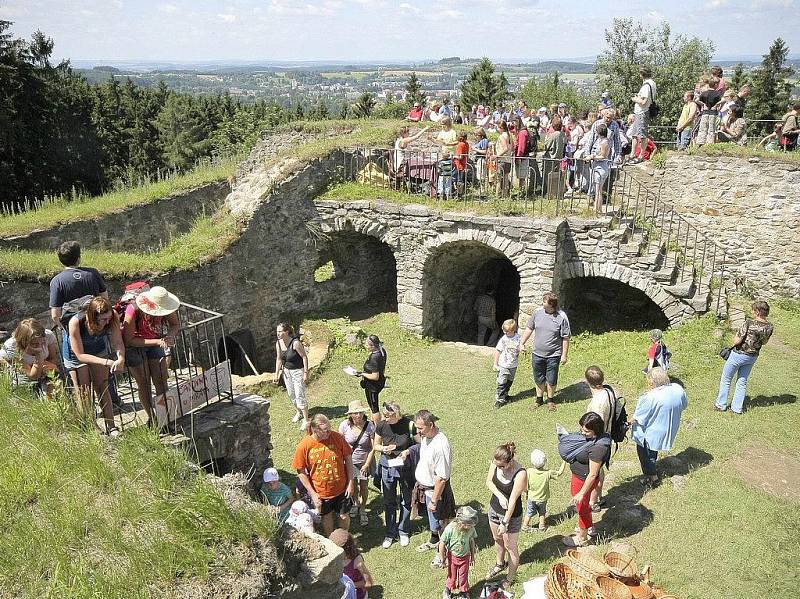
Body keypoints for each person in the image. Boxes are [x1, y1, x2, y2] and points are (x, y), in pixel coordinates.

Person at [62, 296, 125, 437]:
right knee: (83, 389)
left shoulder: (112, 316)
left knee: (102, 385)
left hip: (97, 347)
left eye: (108, 318)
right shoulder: (76, 322)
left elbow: (118, 341)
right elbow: (80, 355)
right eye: (103, 319)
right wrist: (107, 362)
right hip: (76, 353)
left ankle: (111, 426)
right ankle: (91, 424)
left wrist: (120, 357)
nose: (107, 322)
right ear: (92, 316)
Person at [122, 286, 181, 427]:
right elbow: (129, 340)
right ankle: (152, 418)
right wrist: (158, 341)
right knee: (144, 383)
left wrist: (170, 336)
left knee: (161, 379)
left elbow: (175, 324)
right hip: (134, 347)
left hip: (155, 342)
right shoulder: (133, 310)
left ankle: (165, 417)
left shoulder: (166, 307)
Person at [291, 414, 356, 536]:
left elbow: (348, 458)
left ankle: (344, 538)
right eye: (326, 430)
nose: (329, 432)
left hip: (342, 489)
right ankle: (332, 540)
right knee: (326, 516)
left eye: (330, 428)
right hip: (322, 492)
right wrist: (313, 494)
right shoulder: (304, 446)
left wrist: (350, 482)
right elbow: (300, 472)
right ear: (315, 430)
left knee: (344, 515)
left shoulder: (337, 438)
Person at [631, 368, 688, 486]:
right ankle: (652, 472)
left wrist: (626, 423)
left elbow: (638, 418)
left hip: (650, 432)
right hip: (668, 426)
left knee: (646, 455)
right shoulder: (678, 389)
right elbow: (683, 405)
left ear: (652, 382)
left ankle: (652, 477)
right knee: (653, 451)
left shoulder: (649, 397)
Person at [714, 300, 773, 415]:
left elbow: (737, 341)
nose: (751, 312)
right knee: (742, 381)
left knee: (726, 379)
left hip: (738, 355)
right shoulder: (770, 327)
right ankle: (737, 408)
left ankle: (721, 405)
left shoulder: (749, 323)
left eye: (753, 310)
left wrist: (735, 336)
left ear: (757, 312)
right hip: (752, 357)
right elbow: (764, 342)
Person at [414, 409, 455, 566]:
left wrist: (434, 500)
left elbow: (441, 478)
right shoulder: (426, 436)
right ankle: (434, 541)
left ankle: (442, 556)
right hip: (426, 488)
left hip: (435, 491)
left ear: (431, 425)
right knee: (433, 522)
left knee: (441, 523)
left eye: (420, 428)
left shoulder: (441, 445)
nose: (418, 432)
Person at [563, 412, 611, 547]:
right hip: (578, 478)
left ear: (596, 430)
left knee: (582, 508)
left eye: (586, 431)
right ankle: (588, 526)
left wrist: (582, 492)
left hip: (584, 481)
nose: (582, 433)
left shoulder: (598, 448)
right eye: (581, 429)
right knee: (582, 506)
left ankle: (582, 538)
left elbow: (593, 474)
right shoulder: (593, 439)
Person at [485, 442, 527, 590]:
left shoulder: (520, 473)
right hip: (494, 509)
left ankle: (510, 578)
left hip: (511, 516)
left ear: (510, 461)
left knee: (511, 547)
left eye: (502, 466)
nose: (500, 469)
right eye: (498, 466)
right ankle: (499, 564)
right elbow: (489, 482)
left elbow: (513, 501)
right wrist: (500, 496)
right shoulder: (496, 462)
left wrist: (505, 523)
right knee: (497, 539)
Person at [374, 401, 416, 548]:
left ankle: (403, 530)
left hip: (405, 467)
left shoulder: (409, 424)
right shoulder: (381, 425)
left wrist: (406, 452)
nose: (385, 418)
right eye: (384, 415)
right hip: (388, 466)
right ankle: (390, 533)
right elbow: (375, 445)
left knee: (406, 500)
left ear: (396, 415)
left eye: (388, 416)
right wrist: (384, 448)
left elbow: (419, 444)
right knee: (389, 501)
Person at [520, 292, 571, 411]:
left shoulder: (561, 316)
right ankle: (539, 399)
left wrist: (564, 355)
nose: (542, 303)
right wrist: (522, 343)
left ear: (551, 305)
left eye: (544, 301)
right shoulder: (537, 312)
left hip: (554, 355)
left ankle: (551, 400)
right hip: (537, 353)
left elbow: (565, 337)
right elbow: (529, 328)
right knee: (538, 377)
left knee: (551, 378)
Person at [48, 241, 108, 329]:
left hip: (73, 329)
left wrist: (65, 330)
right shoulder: (93, 273)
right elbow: (105, 299)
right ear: (78, 258)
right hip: (95, 326)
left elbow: (55, 315)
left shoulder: (57, 281)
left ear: (61, 260)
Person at [583, 366, 618, 511]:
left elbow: (593, 426)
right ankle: (598, 497)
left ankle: (593, 502)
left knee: (595, 472)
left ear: (588, 382)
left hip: (598, 440)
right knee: (599, 470)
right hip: (607, 435)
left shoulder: (597, 403)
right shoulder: (609, 391)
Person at [0, 318, 60, 397]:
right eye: (34, 344)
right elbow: (32, 376)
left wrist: (51, 367)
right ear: (23, 342)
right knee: (28, 396)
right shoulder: (11, 347)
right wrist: (39, 356)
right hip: (20, 376)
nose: (39, 346)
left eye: (42, 342)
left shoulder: (48, 335)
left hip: (43, 371)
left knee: (51, 395)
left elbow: (53, 358)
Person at [339, 400, 376, 526]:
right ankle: (356, 503)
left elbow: (373, 447)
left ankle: (363, 508)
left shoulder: (370, 426)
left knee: (364, 485)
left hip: (364, 461)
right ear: (350, 414)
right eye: (355, 413)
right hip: (350, 462)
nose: (358, 415)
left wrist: (367, 464)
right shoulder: (344, 425)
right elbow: (340, 443)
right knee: (353, 484)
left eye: (360, 412)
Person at [274, 322, 310, 431]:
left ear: (286, 332)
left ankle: (306, 419)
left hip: (297, 371)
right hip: (286, 372)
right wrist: (276, 374)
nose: (278, 333)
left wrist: (305, 372)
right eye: (277, 331)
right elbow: (279, 359)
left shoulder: (295, 343)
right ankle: (298, 412)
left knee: (299, 394)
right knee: (291, 393)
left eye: (280, 331)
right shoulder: (279, 343)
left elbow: (304, 357)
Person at [438, 506, 478, 599]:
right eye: (468, 524)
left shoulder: (471, 528)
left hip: (465, 557)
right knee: (452, 575)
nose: (470, 526)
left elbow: (471, 541)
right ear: (460, 521)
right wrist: (442, 559)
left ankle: (464, 592)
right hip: (453, 557)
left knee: (463, 575)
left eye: (471, 524)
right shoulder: (450, 528)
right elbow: (442, 543)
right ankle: (448, 590)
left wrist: (472, 556)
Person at [522, 448, 566, 533]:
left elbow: (525, 485)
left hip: (531, 498)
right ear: (545, 461)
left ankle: (525, 526)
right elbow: (559, 473)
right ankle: (542, 526)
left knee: (529, 512)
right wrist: (564, 462)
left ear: (532, 462)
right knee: (542, 512)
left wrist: (526, 493)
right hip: (542, 499)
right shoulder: (548, 473)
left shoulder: (529, 471)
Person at [329, 529, 374, 599]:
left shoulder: (357, 562)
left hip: (355, 594)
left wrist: (349, 585)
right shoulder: (335, 558)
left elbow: (368, 583)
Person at [356, 334, 387, 425]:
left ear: (372, 346)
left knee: (374, 408)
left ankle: (378, 429)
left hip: (372, 386)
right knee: (371, 405)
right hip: (379, 382)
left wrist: (362, 374)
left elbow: (375, 376)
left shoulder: (374, 358)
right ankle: (373, 422)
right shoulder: (382, 351)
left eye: (366, 344)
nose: (365, 346)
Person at [629, 66, 656, 164]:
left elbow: (643, 101)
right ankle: (633, 154)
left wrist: (635, 99)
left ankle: (640, 155)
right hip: (641, 112)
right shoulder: (652, 84)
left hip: (642, 111)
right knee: (635, 134)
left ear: (642, 75)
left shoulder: (646, 86)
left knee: (641, 135)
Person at [493, 319, 520, 408]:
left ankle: (505, 394)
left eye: (507, 331)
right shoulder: (503, 339)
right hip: (503, 364)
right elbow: (498, 351)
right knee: (502, 381)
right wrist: (495, 364)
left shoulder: (518, 338)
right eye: (504, 331)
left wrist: (522, 350)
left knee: (509, 381)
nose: (505, 333)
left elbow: (520, 347)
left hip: (513, 365)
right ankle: (500, 399)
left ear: (513, 330)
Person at [587, 122, 610, 212]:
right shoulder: (600, 141)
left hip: (601, 168)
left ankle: (597, 209)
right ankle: (598, 209)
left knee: (598, 191)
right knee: (597, 190)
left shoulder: (604, 142)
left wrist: (592, 157)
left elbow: (603, 156)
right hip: (596, 167)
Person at [695, 76, 723, 146]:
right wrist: (716, 104)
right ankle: (710, 143)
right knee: (711, 128)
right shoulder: (717, 94)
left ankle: (701, 142)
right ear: (715, 85)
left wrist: (703, 104)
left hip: (705, 112)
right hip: (713, 112)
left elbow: (696, 100)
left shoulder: (704, 93)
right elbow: (723, 100)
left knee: (703, 127)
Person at [494, 120, 513, 197]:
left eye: (497, 127)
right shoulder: (509, 135)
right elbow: (512, 148)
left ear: (501, 127)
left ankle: (497, 196)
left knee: (499, 179)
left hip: (502, 160)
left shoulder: (502, 136)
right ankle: (505, 195)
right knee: (505, 178)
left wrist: (497, 156)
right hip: (508, 160)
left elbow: (505, 148)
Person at [512, 115, 530, 194]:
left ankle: (522, 193)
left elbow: (521, 147)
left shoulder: (522, 132)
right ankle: (521, 192)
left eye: (514, 122)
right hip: (520, 157)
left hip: (522, 157)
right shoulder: (520, 131)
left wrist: (519, 157)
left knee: (522, 177)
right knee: (520, 176)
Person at [453, 132, 469, 197]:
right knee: (459, 180)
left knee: (458, 180)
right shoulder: (466, 144)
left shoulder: (461, 145)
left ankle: (458, 194)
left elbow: (460, 157)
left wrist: (453, 156)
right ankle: (459, 194)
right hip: (463, 164)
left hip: (459, 164)